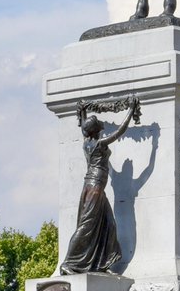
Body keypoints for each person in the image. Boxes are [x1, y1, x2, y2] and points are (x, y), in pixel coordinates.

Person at [59, 98, 139, 274]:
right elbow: (119, 131)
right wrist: (130, 110)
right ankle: (68, 262)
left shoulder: (87, 141)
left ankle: (102, 264)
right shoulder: (99, 144)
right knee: (86, 225)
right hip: (94, 187)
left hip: (95, 187)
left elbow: (83, 128)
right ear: (96, 132)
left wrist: (83, 111)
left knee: (109, 225)